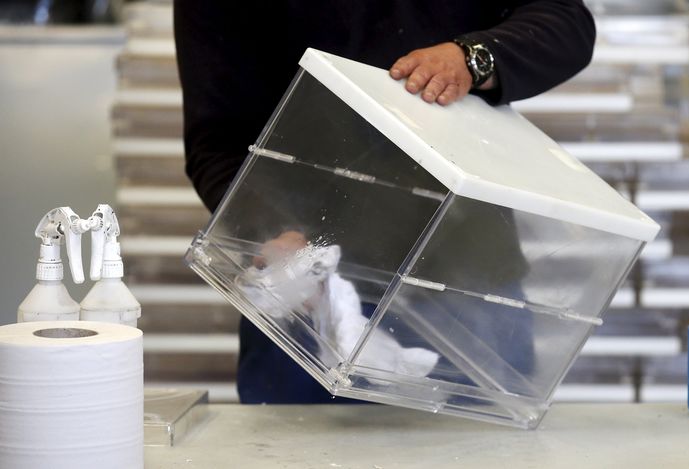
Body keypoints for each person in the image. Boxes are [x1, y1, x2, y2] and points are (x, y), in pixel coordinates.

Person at [174, 0, 596, 404]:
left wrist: (472, 58)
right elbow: (218, 136)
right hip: (308, 292)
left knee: (486, 453)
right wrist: (272, 231)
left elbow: (565, 20)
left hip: (470, 286)